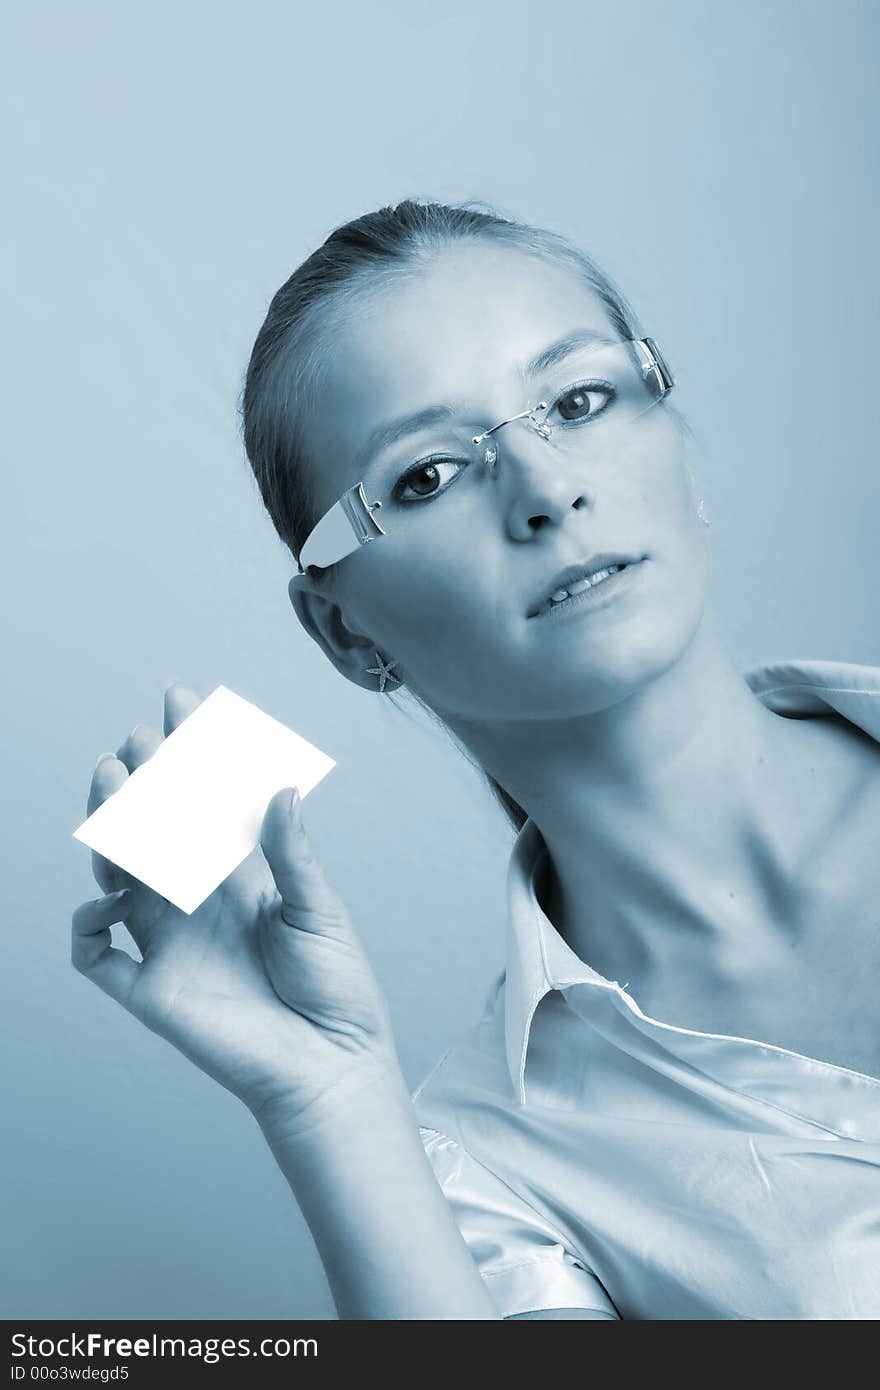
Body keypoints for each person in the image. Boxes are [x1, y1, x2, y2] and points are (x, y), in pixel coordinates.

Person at [71, 199, 880, 1320]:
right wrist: (329, 1098)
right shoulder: (478, 1171)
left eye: (579, 401)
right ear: (347, 633)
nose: (549, 490)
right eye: (426, 477)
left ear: (674, 443)